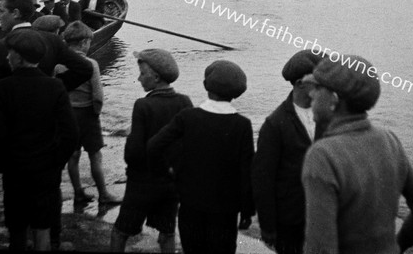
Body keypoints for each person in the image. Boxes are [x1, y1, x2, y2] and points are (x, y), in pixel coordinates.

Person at [302, 55, 413, 253]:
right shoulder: (389, 140)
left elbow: (321, 250)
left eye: (317, 88)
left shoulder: (322, 155)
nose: (311, 95)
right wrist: (396, 246)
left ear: (334, 99)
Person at [148, 60, 255, 254]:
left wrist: (174, 169)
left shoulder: (187, 117)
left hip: (191, 203)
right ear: (236, 93)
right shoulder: (242, 125)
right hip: (226, 210)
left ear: (206, 86)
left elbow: (154, 146)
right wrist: (247, 211)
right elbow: (246, 170)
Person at [0, 30, 78, 251]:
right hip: (46, 171)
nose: (7, 58)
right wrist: (55, 162)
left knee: (17, 226)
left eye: (10, 53)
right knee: (43, 227)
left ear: (18, 57)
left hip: (15, 170)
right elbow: (71, 134)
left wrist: (3, 164)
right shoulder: (55, 86)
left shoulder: (3, 87)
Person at [110, 49, 193, 253]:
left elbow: (134, 152)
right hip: (170, 183)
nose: (138, 78)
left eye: (142, 73)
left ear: (155, 77)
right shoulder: (184, 102)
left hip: (142, 183)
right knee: (167, 233)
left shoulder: (143, 105)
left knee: (121, 231)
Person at [252, 50, 329, 254]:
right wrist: (268, 226)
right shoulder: (275, 124)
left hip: (326, 216)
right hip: (290, 220)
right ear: (300, 83)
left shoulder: (330, 117)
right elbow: (263, 180)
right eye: (319, 82)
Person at [54, 21, 120, 212]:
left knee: (73, 157)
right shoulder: (91, 64)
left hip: (67, 115)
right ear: (84, 42)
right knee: (95, 156)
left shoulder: (58, 65)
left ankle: (78, 192)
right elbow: (98, 95)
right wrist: (96, 114)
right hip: (87, 115)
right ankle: (104, 194)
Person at [0, 0, 92, 90]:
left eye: (1, 11)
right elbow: (85, 69)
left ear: (15, 13)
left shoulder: (0, 48)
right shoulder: (53, 40)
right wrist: (54, 86)